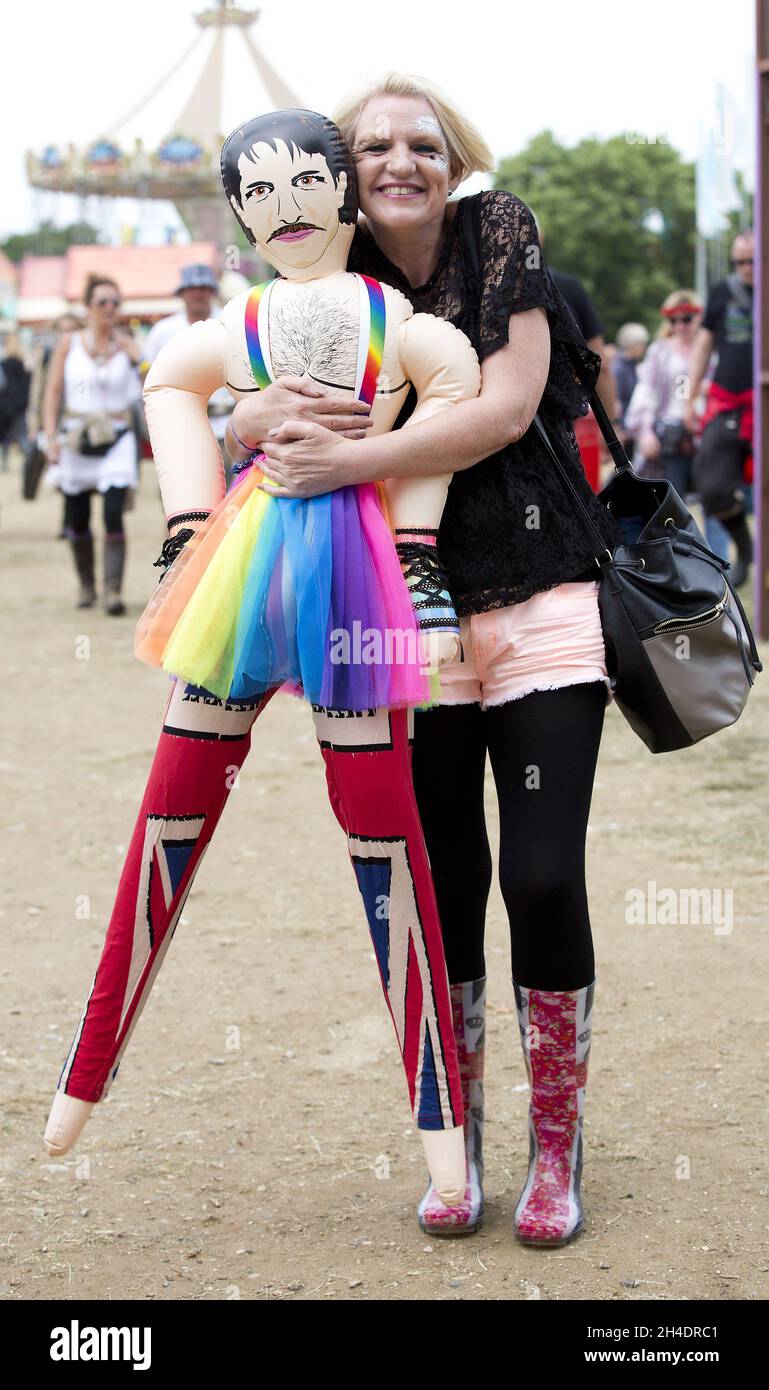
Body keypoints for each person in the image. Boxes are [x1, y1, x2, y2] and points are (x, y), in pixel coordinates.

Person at [44, 108, 488, 1216]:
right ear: (240, 212)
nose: (287, 206)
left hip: (359, 580)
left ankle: (440, 1124)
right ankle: (82, 1078)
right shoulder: (237, 326)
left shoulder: (400, 323)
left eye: (305, 183)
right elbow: (166, 384)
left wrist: (417, 538)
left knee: (385, 832)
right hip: (239, 584)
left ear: (342, 195)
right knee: (170, 815)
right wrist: (192, 516)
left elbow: (457, 385)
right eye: (262, 190)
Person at [225, 73, 624, 1246]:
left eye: (424, 143)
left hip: (544, 596)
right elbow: (237, 394)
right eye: (373, 145)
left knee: (540, 877)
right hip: (401, 613)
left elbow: (504, 409)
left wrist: (346, 457)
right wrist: (252, 423)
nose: (401, 161)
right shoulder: (311, 273)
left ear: (454, 159)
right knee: (439, 885)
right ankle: (460, 1150)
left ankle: (558, 1148)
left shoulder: (497, 231)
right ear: (337, 171)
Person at [42, 276, 142, 613]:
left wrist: (137, 358)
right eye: (102, 302)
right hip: (77, 436)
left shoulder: (127, 344)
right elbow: (53, 391)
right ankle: (87, 586)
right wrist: (50, 435)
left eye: (115, 302)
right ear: (88, 307)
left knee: (114, 512)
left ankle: (113, 591)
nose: (110, 308)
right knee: (77, 516)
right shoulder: (68, 344)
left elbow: (153, 382)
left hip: (116, 436)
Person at [684, 230, 754, 585]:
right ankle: (744, 546)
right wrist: (690, 396)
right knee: (711, 486)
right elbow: (703, 345)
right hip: (729, 404)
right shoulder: (723, 292)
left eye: (754, 261)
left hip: (764, 405)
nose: (746, 268)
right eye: (740, 261)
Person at [141, 264, 236, 483]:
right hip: (179, 427)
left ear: (212, 291)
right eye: (191, 288)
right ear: (182, 293)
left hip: (226, 425)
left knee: (231, 500)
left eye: (203, 287)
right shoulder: (162, 331)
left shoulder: (231, 322)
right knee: (183, 496)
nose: (197, 293)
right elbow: (147, 378)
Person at [624, 290, 702, 498]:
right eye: (672, 320)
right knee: (671, 500)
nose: (679, 325)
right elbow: (647, 391)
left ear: (698, 317)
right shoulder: (660, 351)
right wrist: (645, 431)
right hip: (669, 435)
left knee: (712, 499)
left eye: (686, 319)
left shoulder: (709, 350)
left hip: (703, 433)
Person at [612, 321, 650, 460]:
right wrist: (619, 428)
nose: (644, 348)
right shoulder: (620, 368)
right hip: (624, 429)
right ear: (633, 344)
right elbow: (617, 400)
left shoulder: (633, 365)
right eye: (642, 344)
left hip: (632, 427)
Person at [0, 334, 31, 471]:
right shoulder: (25, 365)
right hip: (21, 405)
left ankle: (5, 464)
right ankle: (30, 462)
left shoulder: (4, 365)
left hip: (5, 405)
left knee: (5, 437)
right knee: (22, 435)